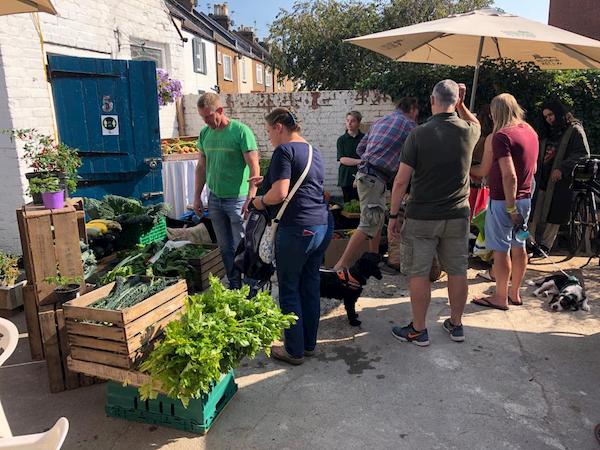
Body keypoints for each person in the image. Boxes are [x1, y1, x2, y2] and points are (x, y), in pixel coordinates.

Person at [388, 80, 480, 346]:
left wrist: (393, 217)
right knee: (457, 270)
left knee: (419, 273)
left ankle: (418, 329)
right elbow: (477, 123)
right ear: (456, 100)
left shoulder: (418, 134)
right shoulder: (469, 131)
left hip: (422, 217)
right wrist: (462, 105)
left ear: (431, 100)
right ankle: (456, 324)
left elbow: (401, 181)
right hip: (457, 215)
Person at [250, 108, 330, 365]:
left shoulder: (284, 151)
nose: (269, 138)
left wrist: (258, 201)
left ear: (279, 127)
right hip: (320, 226)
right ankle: (308, 345)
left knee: (289, 288)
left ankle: (293, 350)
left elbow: (280, 193)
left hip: (296, 229)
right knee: (310, 285)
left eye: (269, 131)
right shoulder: (313, 151)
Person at [333, 97, 418, 270]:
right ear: (413, 110)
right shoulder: (410, 126)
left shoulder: (381, 121)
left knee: (377, 221)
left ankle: (374, 260)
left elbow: (360, 149)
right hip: (373, 177)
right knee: (368, 223)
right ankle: (340, 266)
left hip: (368, 176)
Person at [472, 93, 539, 311]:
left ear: (495, 113)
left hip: (503, 201)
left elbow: (509, 175)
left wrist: (510, 207)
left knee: (500, 250)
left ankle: (500, 297)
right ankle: (515, 293)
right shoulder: (530, 131)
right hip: (526, 198)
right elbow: (534, 168)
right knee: (518, 246)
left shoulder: (502, 136)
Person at [193, 93, 260, 289]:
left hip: (238, 199)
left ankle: (250, 286)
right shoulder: (205, 134)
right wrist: (197, 197)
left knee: (242, 245)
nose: (206, 121)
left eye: (208, 116)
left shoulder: (240, 131)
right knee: (224, 247)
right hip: (215, 198)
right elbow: (201, 167)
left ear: (220, 111)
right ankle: (234, 284)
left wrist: (251, 197)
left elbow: (254, 167)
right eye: (202, 118)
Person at [529, 101, 590, 255]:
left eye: (551, 114)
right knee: (534, 210)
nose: (549, 119)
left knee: (555, 213)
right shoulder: (546, 131)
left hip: (560, 180)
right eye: (546, 116)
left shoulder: (574, 130)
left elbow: (582, 153)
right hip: (541, 176)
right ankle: (530, 243)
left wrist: (563, 168)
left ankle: (545, 246)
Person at [337, 111, 365, 203]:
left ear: (358, 122)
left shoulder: (365, 138)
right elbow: (342, 159)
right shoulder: (341, 140)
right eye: (347, 120)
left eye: (352, 121)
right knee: (348, 206)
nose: (349, 123)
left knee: (362, 204)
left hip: (363, 176)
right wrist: (360, 161)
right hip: (346, 177)